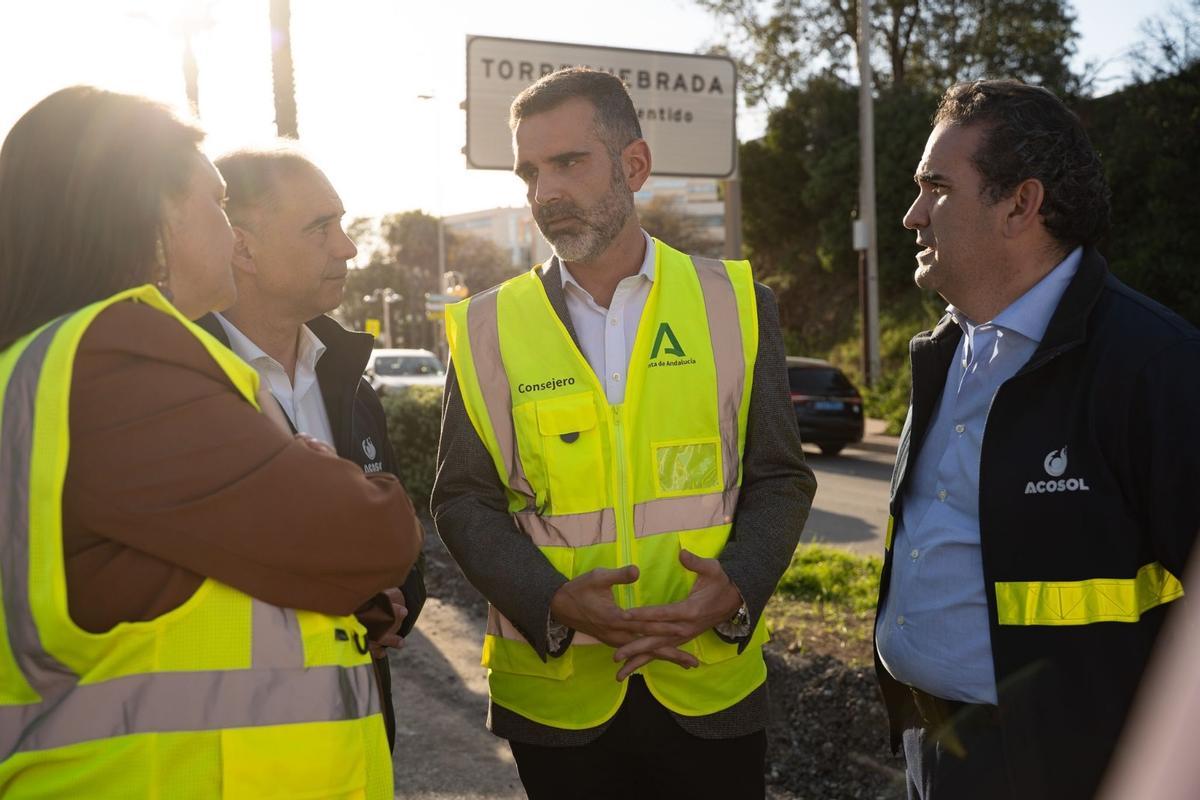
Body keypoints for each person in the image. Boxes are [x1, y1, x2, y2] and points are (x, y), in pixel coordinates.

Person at [0, 87, 422, 798]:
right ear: (153, 216)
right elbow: (374, 533)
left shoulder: (47, 363)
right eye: (219, 205)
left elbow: (182, 577)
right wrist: (318, 479)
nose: (232, 235)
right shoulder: (118, 360)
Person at [432, 67, 816, 799]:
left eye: (568, 162)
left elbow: (780, 477)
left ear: (633, 166)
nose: (544, 193)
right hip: (558, 700)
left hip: (708, 686)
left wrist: (734, 588)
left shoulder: (737, 303)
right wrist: (554, 602)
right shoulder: (486, 326)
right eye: (529, 171)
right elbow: (462, 502)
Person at [873, 78, 1200, 799]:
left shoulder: (1155, 367)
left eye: (937, 188)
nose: (911, 216)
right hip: (937, 749)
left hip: (1073, 769)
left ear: (1021, 203)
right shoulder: (944, 350)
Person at [195, 146, 427, 750]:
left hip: (354, 741)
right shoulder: (178, 384)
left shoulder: (351, 384)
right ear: (242, 248)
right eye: (321, 228)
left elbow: (404, 555)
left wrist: (390, 604)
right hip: (228, 748)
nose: (347, 247)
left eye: (343, 225)